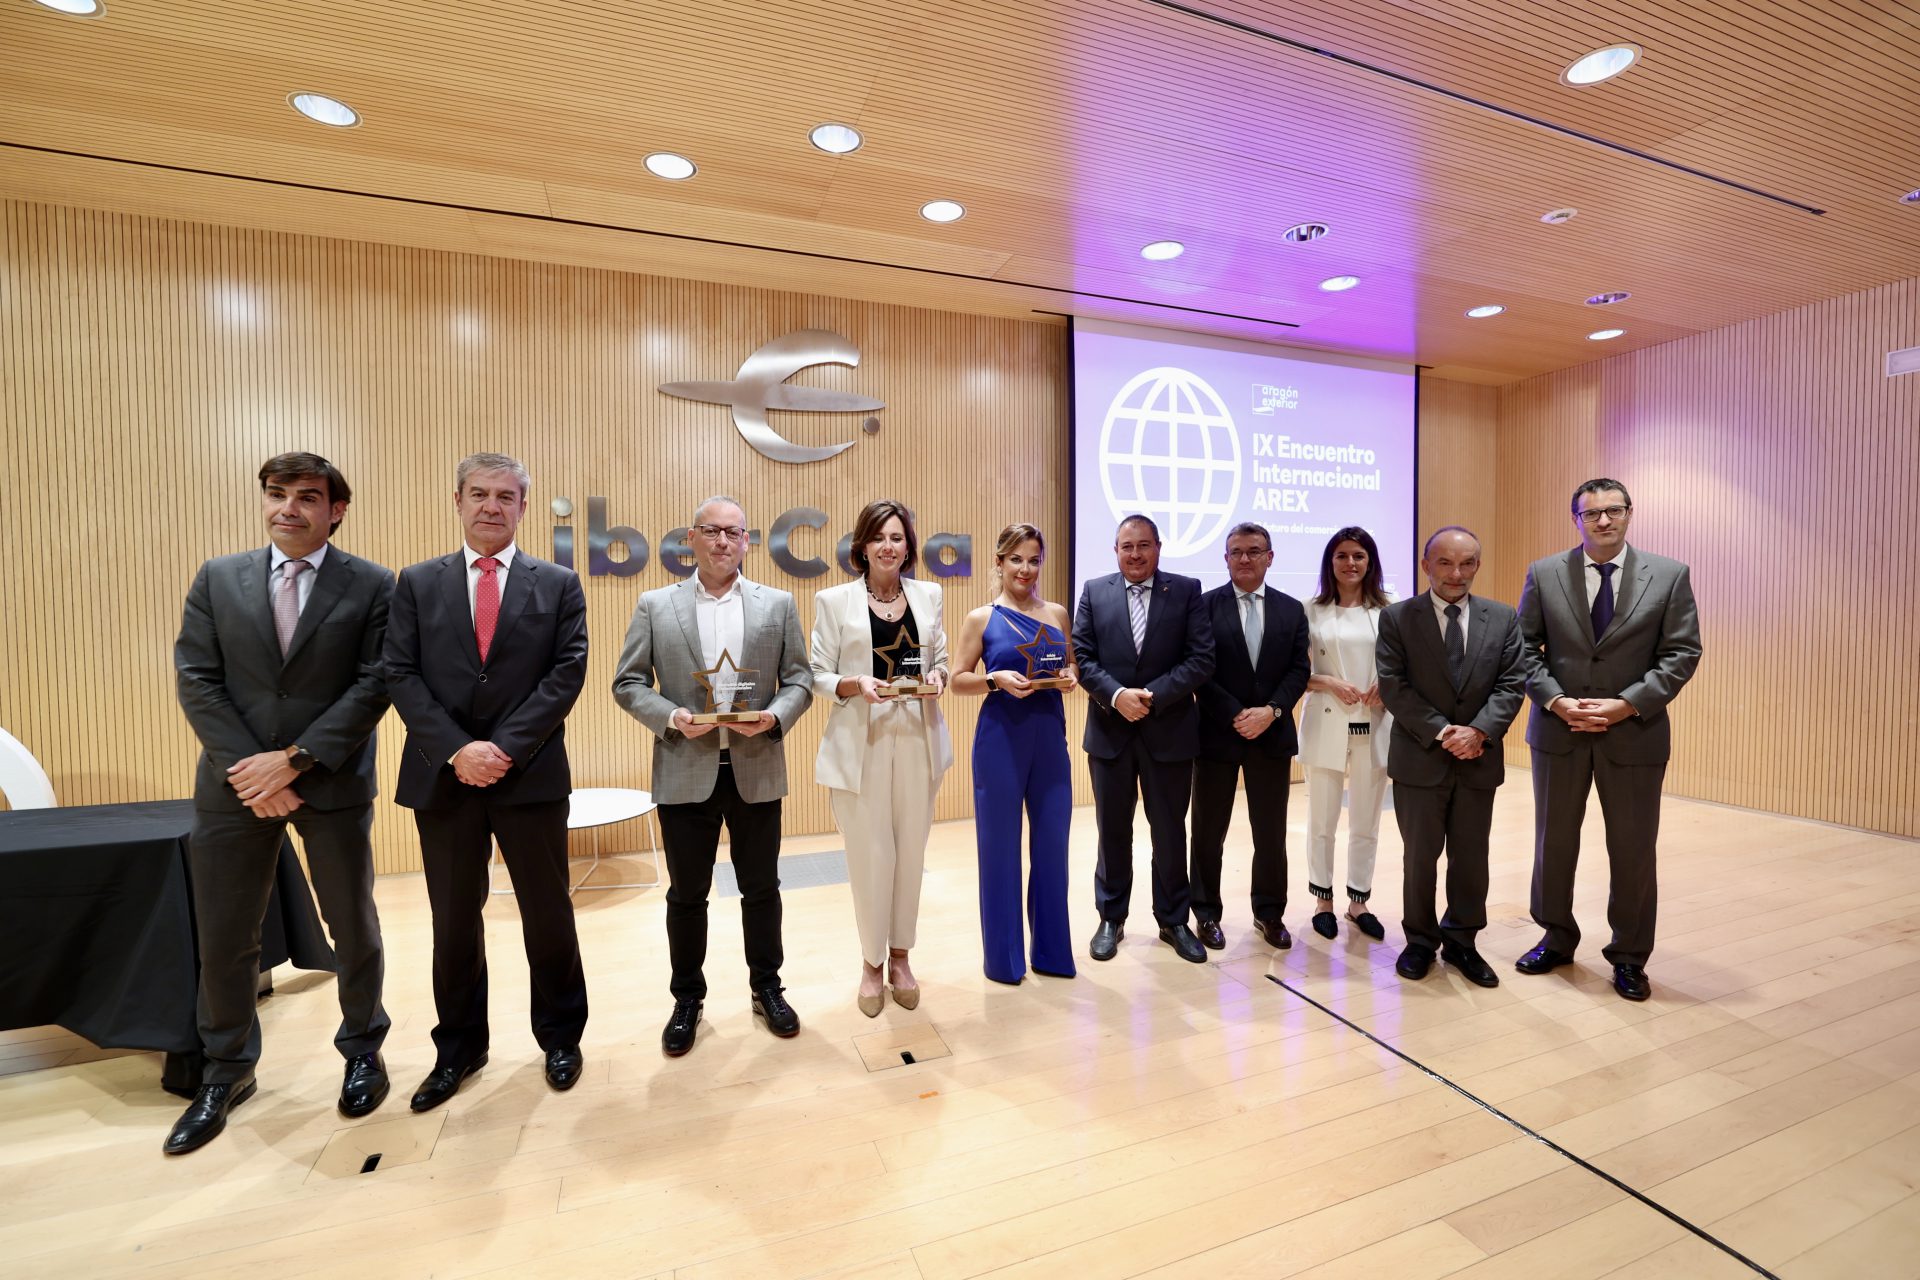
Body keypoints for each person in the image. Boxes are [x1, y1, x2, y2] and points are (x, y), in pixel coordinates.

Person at [165, 452, 395, 1155]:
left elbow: (375, 682)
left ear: (336, 510)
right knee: (227, 934)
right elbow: (197, 677)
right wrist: (251, 772)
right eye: (276, 494)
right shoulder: (218, 577)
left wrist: (294, 761)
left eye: (306, 496)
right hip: (234, 787)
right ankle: (227, 1070)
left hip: (328, 780)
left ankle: (362, 1048)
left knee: (350, 924)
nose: (287, 508)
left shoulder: (374, 586)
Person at [385, 452, 590, 1111]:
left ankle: (560, 1036)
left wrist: (500, 747)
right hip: (443, 779)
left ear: (524, 507)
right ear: (457, 500)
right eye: (479, 493)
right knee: (453, 919)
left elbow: (565, 675)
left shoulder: (557, 584)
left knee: (548, 914)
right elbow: (399, 673)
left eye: (506, 495)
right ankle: (459, 1049)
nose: (492, 506)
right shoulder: (416, 583)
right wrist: (456, 750)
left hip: (527, 774)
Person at [611, 496, 813, 1054]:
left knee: (762, 889)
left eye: (733, 532)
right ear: (691, 540)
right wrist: (670, 717)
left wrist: (775, 716)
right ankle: (687, 999)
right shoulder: (656, 604)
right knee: (687, 895)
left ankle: (766, 987)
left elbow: (799, 679)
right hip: (685, 766)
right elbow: (628, 683)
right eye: (711, 531)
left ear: (746, 541)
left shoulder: (777, 604)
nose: (723, 541)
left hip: (756, 765)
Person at [1516, 479, 1701, 1002]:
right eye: (1591, 513)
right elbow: (1524, 647)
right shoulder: (1545, 572)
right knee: (1554, 843)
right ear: (1575, 518)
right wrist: (1556, 700)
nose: (1603, 521)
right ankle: (1555, 936)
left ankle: (1628, 956)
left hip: (1634, 733)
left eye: (1613, 511)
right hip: (1559, 729)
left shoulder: (1668, 575)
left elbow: (1682, 653)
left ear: (1628, 514)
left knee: (1634, 849)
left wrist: (1626, 704)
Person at [811, 500, 953, 1015]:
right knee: (872, 857)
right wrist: (855, 683)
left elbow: (937, 658)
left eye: (897, 537)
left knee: (910, 856)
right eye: (879, 538)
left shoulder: (929, 595)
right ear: (862, 546)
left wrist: (937, 676)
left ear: (908, 547)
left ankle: (900, 957)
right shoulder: (833, 601)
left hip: (917, 738)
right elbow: (816, 672)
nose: (889, 546)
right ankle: (871, 964)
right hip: (862, 744)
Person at [1375, 527, 1525, 987]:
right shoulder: (1398, 618)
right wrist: (1444, 732)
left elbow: (1511, 683)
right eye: (1445, 563)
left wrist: (1478, 731)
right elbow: (1393, 685)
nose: (1456, 573)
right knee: (1419, 858)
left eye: (1467, 563)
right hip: (1421, 757)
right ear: (1426, 566)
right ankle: (1420, 941)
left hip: (1478, 758)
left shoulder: (1502, 618)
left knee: (1471, 856)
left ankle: (1462, 940)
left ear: (1478, 566)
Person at [1071, 514, 1215, 964]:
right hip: (1110, 733)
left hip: (1168, 731)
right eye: (1126, 546)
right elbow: (1083, 654)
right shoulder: (1095, 591)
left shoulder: (1186, 590)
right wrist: (1116, 696)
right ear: (1115, 550)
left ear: (1158, 547)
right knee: (1113, 832)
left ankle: (1173, 920)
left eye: (1143, 545)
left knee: (1170, 832)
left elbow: (1201, 659)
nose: (1135, 554)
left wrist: (1150, 698)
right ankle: (1111, 917)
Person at [952, 523, 1077, 983]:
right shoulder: (981, 618)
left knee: (1051, 850)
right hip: (1000, 739)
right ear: (1000, 563)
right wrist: (994, 679)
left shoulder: (1058, 613)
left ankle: (1051, 954)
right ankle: (1003, 961)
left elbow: (1070, 665)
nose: (1026, 569)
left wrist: (1070, 677)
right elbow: (957, 679)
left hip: (1050, 740)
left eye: (1034, 560)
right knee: (1000, 853)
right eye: (1017, 559)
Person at [1188, 523, 1311, 952]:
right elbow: (1199, 668)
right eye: (1236, 552)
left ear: (1270, 557)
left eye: (1254, 551)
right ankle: (1205, 913)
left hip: (1271, 734)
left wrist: (1272, 711)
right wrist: (1236, 713)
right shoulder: (1202, 607)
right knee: (1207, 830)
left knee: (1271, 832)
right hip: (1218, 734)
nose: (1244, 559)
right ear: (1225, 559)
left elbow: (1299, 670)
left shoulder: (1292, 610)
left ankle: (1270, 912)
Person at [1300, 526, 1392, 942]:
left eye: (1359, 555)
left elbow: (1404, 667)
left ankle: (1358, 902)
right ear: (1330, 562)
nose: (1351, 563)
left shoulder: (1390, 610)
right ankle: (1322, 900)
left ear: (1369, 561)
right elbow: (1292, 672)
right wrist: (1328, 682)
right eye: (1342, 556)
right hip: (1326, 720)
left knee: (1366, 821)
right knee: (1321, 819)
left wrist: (1386, 686)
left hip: (1373, 724)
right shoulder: (1309, 610)